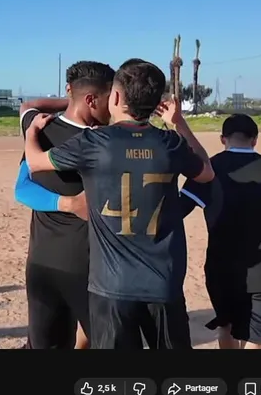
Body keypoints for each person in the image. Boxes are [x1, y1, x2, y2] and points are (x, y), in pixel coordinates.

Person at [24, 59, 216, 350]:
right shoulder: (170, 144)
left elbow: (35, 163)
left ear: (114, 97)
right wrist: (179, 123)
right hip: (163, 284)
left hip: (111, 287)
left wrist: (31, 133)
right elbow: (207, 171)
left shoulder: (94, 142)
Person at [182, 114, 261, 350]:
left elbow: (179, 208)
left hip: (221, 267)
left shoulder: (210, 170)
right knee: (258, 335)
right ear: (255, 140)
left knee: (226, 325)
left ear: (223, 139)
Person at [14, 61, 114, 350]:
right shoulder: (101, 143)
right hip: (87, 266)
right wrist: (70, 203)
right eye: (110, 98)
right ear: (92, 100)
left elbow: (22, 189)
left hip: (41, 261)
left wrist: (72, 98)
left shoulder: (38, 128)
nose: (113, 107)